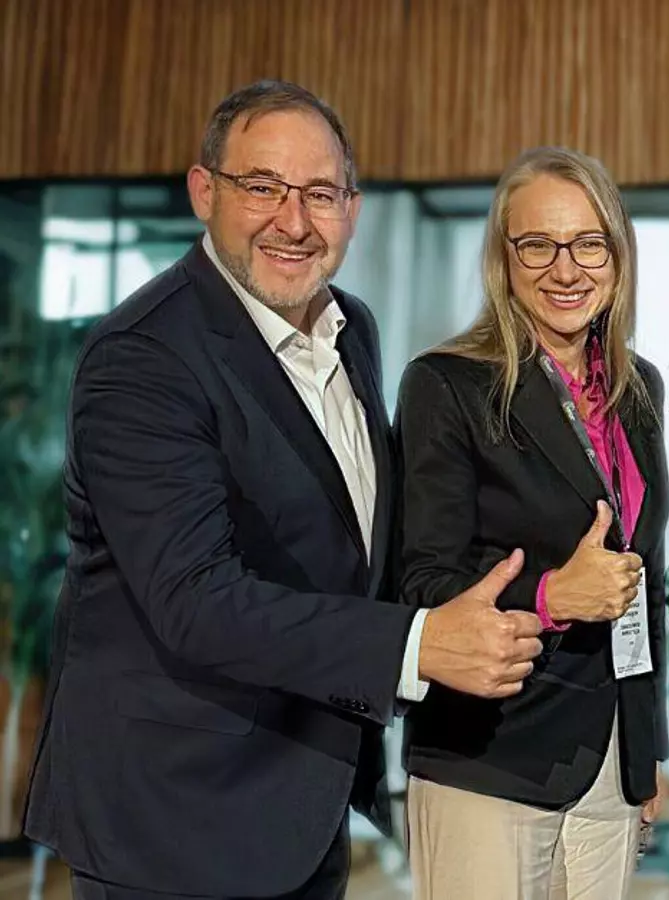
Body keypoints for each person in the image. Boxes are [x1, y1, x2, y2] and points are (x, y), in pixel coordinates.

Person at [22, 80, 543, 899]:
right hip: (173, 819)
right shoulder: (142, 358)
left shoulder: (350, 328)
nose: (293, 222)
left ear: (352, 210)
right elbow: (197, 601)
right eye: (262, 187)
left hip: (303, 801)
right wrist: (415, 645)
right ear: (204, 191)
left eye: (320, 194)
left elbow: (346, 542)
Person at [395, 146, 669, 898]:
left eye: (588, 244)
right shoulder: (446, 384)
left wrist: (644, 750)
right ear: (503, 258)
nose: (566, 269)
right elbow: (420, 583)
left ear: (617, 255)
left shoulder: (638, 389)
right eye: (538, 245)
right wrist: (551, 597)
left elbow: (639, 578)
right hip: (490, 754)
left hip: (609, 762)